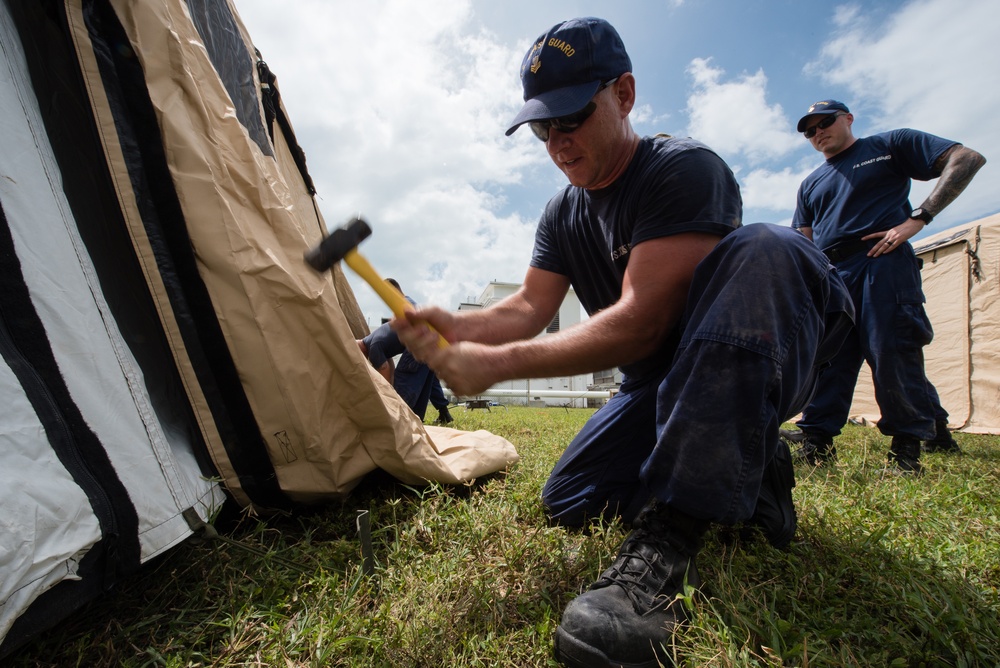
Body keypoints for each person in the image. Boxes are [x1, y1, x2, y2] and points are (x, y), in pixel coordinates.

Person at [393, 18, 853, 667]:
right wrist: (456, 325)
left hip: (746, 356)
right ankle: (755, 470)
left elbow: (642, 319)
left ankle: (669, 541)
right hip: (657, 384)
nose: (557, 141)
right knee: (569, 499)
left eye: (572, 117)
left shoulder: (683, 169)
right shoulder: (562, 212)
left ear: (625, 94)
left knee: (767, 247)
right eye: (541, 128)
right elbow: (528, 306)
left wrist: (492, 367)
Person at [788, 100, 986, 472]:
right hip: (833, 274)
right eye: (809, 131)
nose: (817, 133)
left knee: (891, 348)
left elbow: (967, 158)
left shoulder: (889, 145)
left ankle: (907, 447)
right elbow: (803, 237)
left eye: (824, 123)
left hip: (884, 260)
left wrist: (919, 218)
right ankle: (817, 441)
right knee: (826, 357)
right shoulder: (810, 183)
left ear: (848, 118)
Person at [358, 279, 454, 424]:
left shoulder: (374, 346)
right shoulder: (409, 304)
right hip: (432, 343)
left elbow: (385, 379)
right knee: (426, 383)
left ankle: (400, 423)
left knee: (403, 385)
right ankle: (428, 418)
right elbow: (389, 366)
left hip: (421, 343)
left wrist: (382, 398)